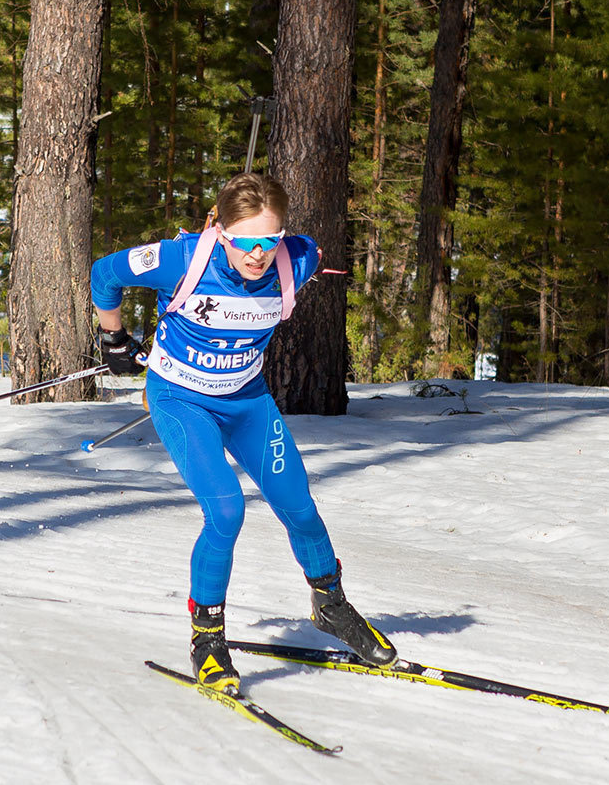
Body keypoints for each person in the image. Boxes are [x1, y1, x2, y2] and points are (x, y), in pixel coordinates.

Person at [89, 172, 396, 696]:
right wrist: (113, 336)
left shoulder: (296, 259)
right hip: (182, 401)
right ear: (221, 231)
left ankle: (331, 606)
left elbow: (313, 252)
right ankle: (207, 638)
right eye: (244, 241)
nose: (257, 255)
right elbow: (104, 272)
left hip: (247, 401)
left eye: (268, 240)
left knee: (298, 504)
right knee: (226, 510)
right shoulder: (181, 259)